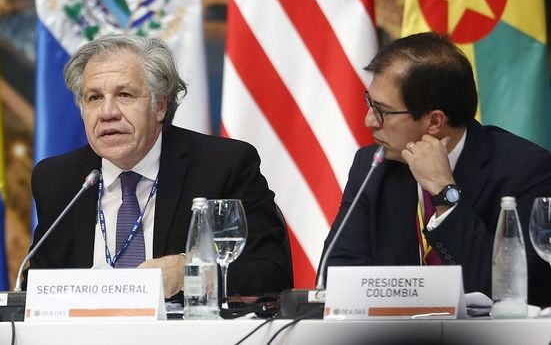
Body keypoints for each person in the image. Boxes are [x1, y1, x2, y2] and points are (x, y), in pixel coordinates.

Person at [29, 34, 292, 298]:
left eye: (125, 94)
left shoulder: (223, 166)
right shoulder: (58, 179)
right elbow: (38, 285)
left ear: (160, 106)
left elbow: (271, 273)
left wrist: (189, 272)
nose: (107, 112)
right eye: (94, 98)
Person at [321, 32, 551, 306]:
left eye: (382, 110)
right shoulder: (372, 166)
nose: (369, 120)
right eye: (370, 103)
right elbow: (335, 276)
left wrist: (445, 194)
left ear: (434, 121)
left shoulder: (527, 170)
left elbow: (509, 291)